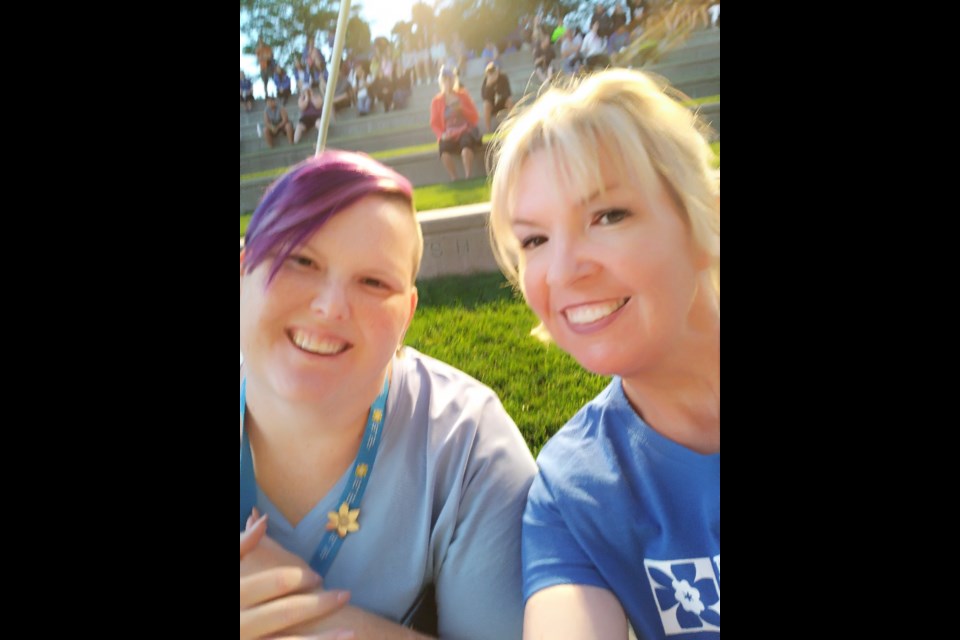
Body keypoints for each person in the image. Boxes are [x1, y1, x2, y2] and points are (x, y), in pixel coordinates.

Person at [240, 150, 538, 639]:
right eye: (301, 260)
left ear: (408, 314)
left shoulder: (467, 447)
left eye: (374, 282)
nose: (331, 306)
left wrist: (310, 618)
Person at [488, 68, 721, 639]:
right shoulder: (572, 492)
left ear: (701, 219)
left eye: (608, 216)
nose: (564, 270)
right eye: (535, 240)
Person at [429, 66, 481, 181]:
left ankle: (468, 176)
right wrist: (441, 135)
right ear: (441, 82)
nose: (448, 82)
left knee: (466, 147)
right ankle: (454, 178)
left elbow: (475, 116)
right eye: (445, 80)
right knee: (443, 150)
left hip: (465, 129)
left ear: (454, 80)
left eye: (450, 79)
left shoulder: (463, 95)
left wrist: (462, 109)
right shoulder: (436, 101)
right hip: (449, 132)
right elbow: (434, 123)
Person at [480, 62, 514, 133]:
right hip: (493, 105)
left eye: (493, 72)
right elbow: (484, 98)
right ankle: (488, 129)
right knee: (486, 105)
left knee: (510, 101)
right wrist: (489, 86)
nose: (492, 74)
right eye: (490, 73)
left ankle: (513, 124)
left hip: (502, 102)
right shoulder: (486, 82)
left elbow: (508, 93)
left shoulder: (503, 78)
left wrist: (498, 90)